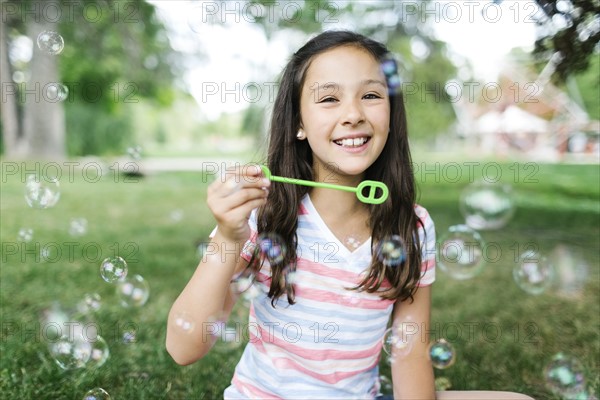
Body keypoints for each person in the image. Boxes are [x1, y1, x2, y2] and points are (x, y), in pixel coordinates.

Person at [166, 30, 534, 400]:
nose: (353, 114)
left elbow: (408, 352)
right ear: (298, 123)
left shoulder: (412, 225)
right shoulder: (262, 215)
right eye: (329, 98)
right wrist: (228, 238)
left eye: (371, 96)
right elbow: (184, 348)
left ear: (391, 115)